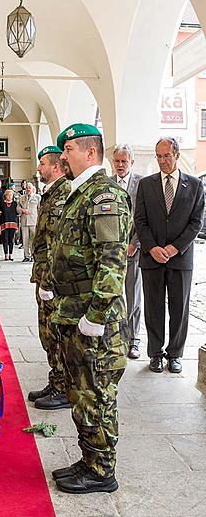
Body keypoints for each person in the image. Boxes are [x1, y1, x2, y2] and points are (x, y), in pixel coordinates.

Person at [44, 123, 131, 494]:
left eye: (70, 150)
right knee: (82, 393)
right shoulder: (83, 193)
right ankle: (90, 457)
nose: (64, 156)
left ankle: (101, 471)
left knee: (96, 393)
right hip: (75, 313)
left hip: (97, 322)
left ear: (90, 153)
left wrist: (95, 317)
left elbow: (112, 265)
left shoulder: (103, 196)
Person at [134, 137, 205, 374]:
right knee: (153, 308)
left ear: (176, 155)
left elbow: (196, 222)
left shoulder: (195, 185)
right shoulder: (146, 184)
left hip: (180, 258)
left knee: (179, 308)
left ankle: (175, 354)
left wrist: (175, 248)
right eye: (159, 156)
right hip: (151, 257)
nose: (162, 161)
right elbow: (140, 221)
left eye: (166, 156)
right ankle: (155, 354)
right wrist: (152, 247)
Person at [28, 146, 72, 410]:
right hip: (44, 274)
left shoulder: (63, 193)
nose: (38, 167)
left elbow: (59, 242)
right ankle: (56, 380)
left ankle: (64, 388)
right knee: (47, 332)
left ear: (55, 166)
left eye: (42, 163)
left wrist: (51, 281)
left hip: (53, 278)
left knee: (55, 332)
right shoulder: (51, 194)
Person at [111, 145, 143, 359]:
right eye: (117, 161)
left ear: (131, 162)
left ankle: (134, 340)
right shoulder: (108, 183)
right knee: (113, 296)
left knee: (133, 297)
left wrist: (134, 243)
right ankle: (116, 337)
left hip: (134, 250)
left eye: (124, 161)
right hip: (112, 252)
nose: (120, 165)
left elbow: (145, 217)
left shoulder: (142, 184)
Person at [17, 181, 41, 262]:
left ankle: (33, 255)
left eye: (29, 188)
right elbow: (17, 208)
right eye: (27, 188)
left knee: (33, 240)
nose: (28, 189)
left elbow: (40, 209)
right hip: (24, 221)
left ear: (33, 189)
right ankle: (27, 256)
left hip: (34, 221)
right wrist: (22, 210)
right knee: (25, 240)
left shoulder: (37, 197)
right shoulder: (22, 197)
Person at [0, 188, 18, 260]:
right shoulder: (2, 204)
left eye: (11, 195)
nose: (9, 196)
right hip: (4, 224)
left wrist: (17, 226)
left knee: (11, 240)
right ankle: (6, 254)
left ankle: (11, 254)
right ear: (5, 196)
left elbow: (17, 215)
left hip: (13, 224)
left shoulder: (15, 204)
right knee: (5, 240)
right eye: (8, 195)